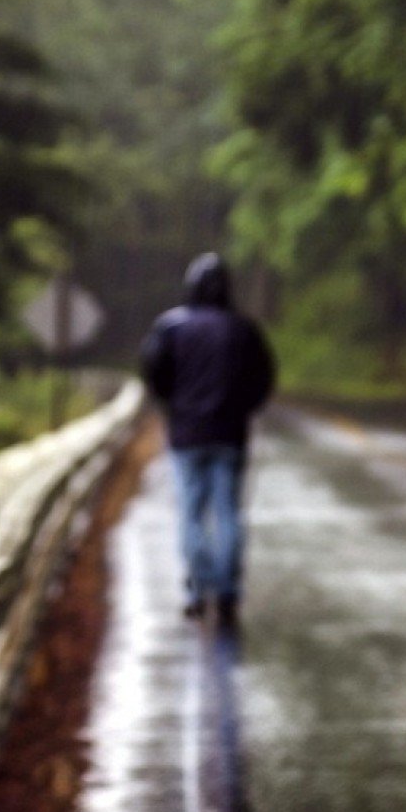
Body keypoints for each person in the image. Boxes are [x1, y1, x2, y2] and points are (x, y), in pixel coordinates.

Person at [138, 252, 277, 629]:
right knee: (228, 512)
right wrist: (244, 407)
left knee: (191, 513)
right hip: (230, 435)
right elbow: (263, 378)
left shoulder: (171, 328)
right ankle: (228, 591)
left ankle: (199, 589)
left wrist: (174, 407)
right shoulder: (243, 329)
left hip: (186, 436)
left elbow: (153, 375)